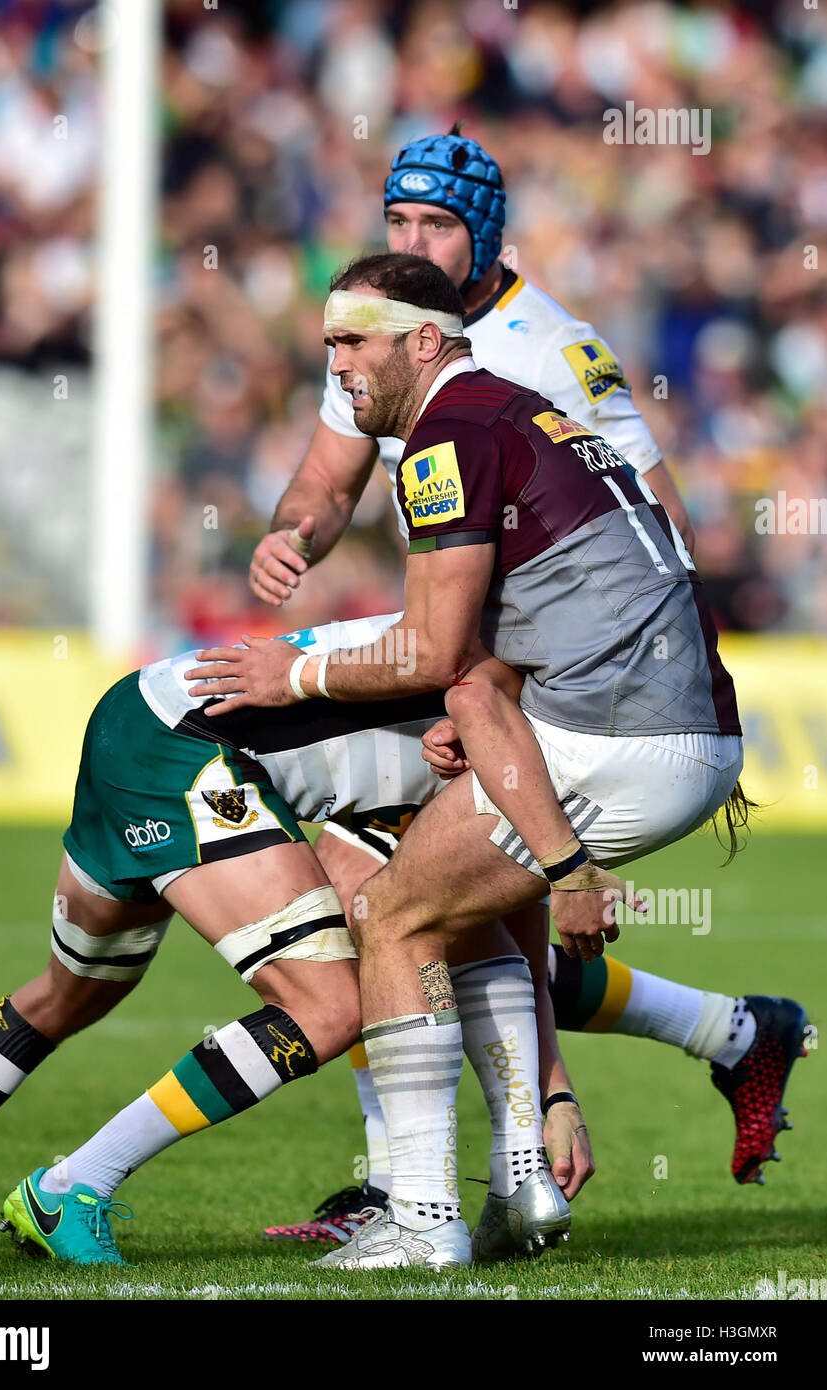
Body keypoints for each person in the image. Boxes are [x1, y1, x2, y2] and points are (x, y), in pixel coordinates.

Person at [243, 130, 802, 1243]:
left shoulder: (548, 348)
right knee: (419, 885)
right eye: (396, 221)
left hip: (556, 667)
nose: (410, 242)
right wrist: (293, 534)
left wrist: (653, 667)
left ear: (483, 234)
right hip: (494, 649)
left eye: (434, 225)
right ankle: (704, 1047)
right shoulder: (380, 321)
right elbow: (325, 474)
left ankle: (457, 1177)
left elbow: (649, 515)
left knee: (404, 894)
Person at [0, 615, 582, 1265]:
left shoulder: (498, 656)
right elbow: (508, 924)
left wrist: (553, 1096)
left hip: (142, 715)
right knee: (333, 1006)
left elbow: (500, 913)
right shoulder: (525, 711)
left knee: (68, 994)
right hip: (188, 752)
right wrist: (549, 1097)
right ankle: (69, 1190)